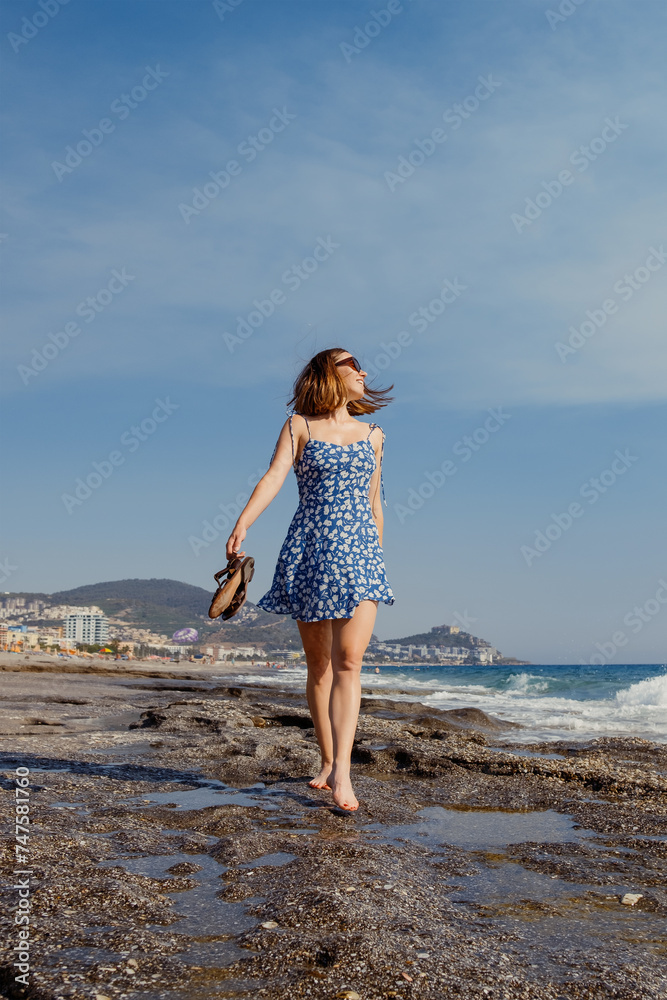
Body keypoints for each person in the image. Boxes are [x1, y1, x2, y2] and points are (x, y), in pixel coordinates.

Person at [225, 348, 395, 810]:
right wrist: (243, 523)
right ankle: (326, 759)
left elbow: (376, 502)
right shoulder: (299, 426)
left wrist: (375, 556)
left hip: (360, 554)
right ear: (328, 373)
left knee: (349, 662)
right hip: (311, 550)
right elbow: (275, 476)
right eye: (351, 364)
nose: (362, 371)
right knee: (319, 667)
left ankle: (343, 772)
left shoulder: (374, 435)